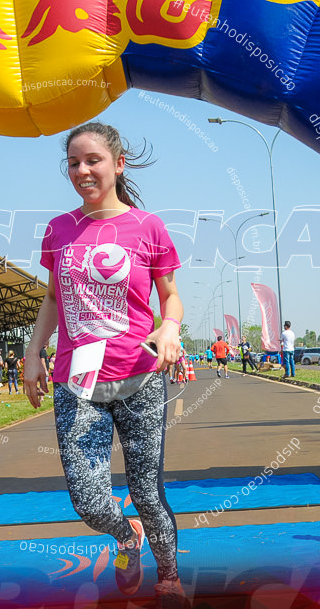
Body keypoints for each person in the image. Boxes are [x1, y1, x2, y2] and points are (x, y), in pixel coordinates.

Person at [24, 122, 188, 607]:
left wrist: (170, 327)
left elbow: (171, 295)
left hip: (140, 376)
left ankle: (170, 577)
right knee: (88, 501)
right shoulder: (59, 229)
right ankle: (125, 535)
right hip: (77, 382)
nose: (82, 171)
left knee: (147, 492)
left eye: (92, 160)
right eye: (73, 162)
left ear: (118, 164)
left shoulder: (149, 226)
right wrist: (34, 352)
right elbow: (53, 299)